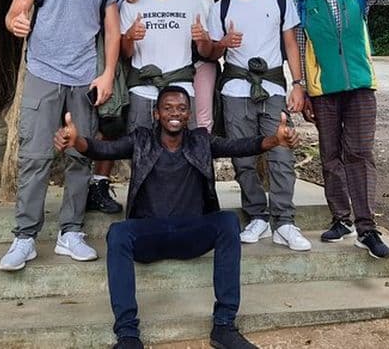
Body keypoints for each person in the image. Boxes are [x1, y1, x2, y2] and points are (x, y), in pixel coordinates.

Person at [53, 85, 299, 349]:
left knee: (228, 222)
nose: (175, 113)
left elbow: (239, 146)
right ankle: (127, 335)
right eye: (168, 108)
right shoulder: (141, 140)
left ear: (188, 114)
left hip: (190, 234)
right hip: (149, 235)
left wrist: (275, 140)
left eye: (181, 108)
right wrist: (76, 141)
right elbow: (103, 150)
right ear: (156, 114)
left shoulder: (201, 140)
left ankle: (224, 326)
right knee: (118, 233)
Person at [0, 0, 121, 271]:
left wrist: (108, 74)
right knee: (35, 156)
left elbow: (112, 30)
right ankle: (25, 237)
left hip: (84, 78)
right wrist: (16, 23)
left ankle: (71, 232)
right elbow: (14, 13)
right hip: (43, 73)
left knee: (80, 155)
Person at [294, 0, 389, 259]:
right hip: (323, 90)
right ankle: (341, 220)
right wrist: (303, 89)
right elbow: (301, 46)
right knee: (330, 155)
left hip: (360, 86)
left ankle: (366, 228)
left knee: (360, 153)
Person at [207, 0, 311, 252]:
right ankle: (257, 216)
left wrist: (298, 84)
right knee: (242, 158)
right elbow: (211, 51)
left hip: (273, 88)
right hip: (235, 89)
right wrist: (223, 43)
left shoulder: (280, 1)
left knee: (281, 154)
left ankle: (285, 221)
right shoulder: (221, 7)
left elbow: (290, 43)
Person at [44, 0, 147, 215]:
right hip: (78, 47)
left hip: (113, 49)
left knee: (111, 118)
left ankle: (99, 185)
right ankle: (75, 189)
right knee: (76, 118)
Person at [120, 0, 212, 131]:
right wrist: (129, 37)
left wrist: (203, 39)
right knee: (140, 148)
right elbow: (126, 53)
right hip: (143, 91)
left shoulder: (191, 2)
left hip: (181, 92)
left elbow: (206, 51)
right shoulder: (132, 3)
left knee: (185, 148)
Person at [172, 0, 218, 132]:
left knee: (203, 120)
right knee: (173, 116)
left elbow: (213, 24)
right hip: (172, 60)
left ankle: (201, 152)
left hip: (201, 60)